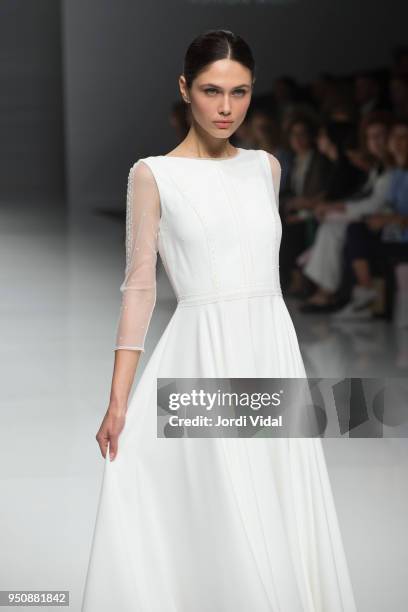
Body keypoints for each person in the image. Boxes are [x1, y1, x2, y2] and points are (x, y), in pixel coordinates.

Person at [81, 30, 357, 611]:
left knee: (275, 496)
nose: (226, 108)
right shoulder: (153, 174)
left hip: (271, 348)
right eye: (211, 91)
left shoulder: (266, 168)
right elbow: (139, 289)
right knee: (219, 504)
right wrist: (118, 400)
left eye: (240, 92)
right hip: (203, 351)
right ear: (185, 89)